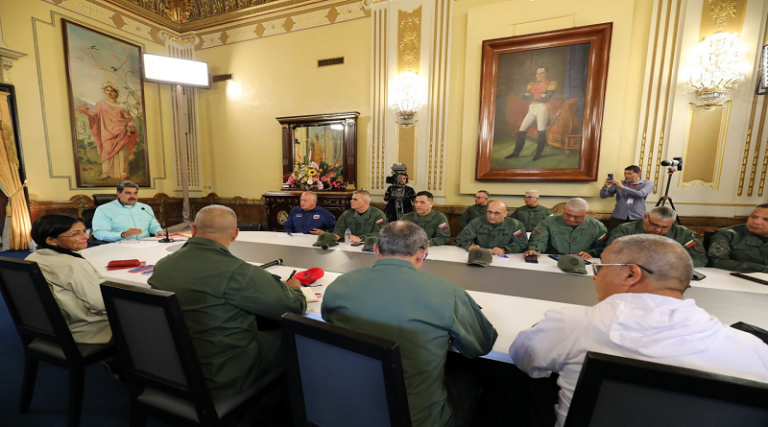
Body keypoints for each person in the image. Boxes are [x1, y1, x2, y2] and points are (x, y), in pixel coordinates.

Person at [510, 234, 768, 427]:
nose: (594, 276)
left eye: (600, 268)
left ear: (630, 274)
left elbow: (525, 360)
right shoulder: (752, 349)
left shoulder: (571, 324)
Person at [322, 221, 497, 427]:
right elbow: (480, 346)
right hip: (416, 418)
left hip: (346, 408)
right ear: (421, 254)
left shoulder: (339, 285)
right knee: (469, 380)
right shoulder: (447, 292)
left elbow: (328, 321)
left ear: (376, 249)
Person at [148, 205, 307, 399]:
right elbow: (294, 307)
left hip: (169, 365)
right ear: (235, 234)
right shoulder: (238, 272)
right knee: (298, 338)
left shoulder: (163, 265)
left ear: (193, 229)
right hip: (220, 375)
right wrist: (294, 288)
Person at [26, 214, 111, 344]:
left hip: (49, 325)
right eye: (75, 234)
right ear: (51, 240)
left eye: (85, 231)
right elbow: (100, 304)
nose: (86, 237)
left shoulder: (31, 258)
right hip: (88, 329)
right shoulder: (74, 265)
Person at [77, 82, 138, 180]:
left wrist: (131, 125)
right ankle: (106, 172)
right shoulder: (101, 104)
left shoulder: (122, 106)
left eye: (112, 91)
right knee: (107, 151)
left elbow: (128, 118)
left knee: (122, 153)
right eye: (107, 90)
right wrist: (85, 112)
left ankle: (123, 172)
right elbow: (94, 115)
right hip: (107, 132)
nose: (109, 93)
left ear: (116, 93)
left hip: (122, 131)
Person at [608, 206, 707, 267]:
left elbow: (700, 259)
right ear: (645, 217)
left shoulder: (683, 234)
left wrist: (673, 263)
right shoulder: (625, 230)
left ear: (672, 223)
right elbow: (611, 253)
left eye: (665, 227)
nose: (658, 230)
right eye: (654, 225)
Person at [525, 198, 607, 260]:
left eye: (577, 217)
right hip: (553, 262)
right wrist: (534, 250)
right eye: (568, 215)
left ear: (586, 214)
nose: (571, 219)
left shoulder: (597, 226)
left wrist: (591, 253)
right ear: (564, 209)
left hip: (584, 262)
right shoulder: (547, 223)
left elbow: (605, 247)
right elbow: (538, 241)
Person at [505, 66, 557, 161]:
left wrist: (533, 95)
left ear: (545, 74)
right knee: (522, 130)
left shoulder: (550, 84)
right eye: (537, 73)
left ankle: (538, 154)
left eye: (541, 73)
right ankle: (516, 152)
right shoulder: (531, 85)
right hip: (532, 108)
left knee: (541, 131)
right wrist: (539, 95)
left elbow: (546, 98)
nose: (539, 75)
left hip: (542, 108)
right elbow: (524, 98)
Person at [92, 181, 166, 242]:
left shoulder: (145, 208)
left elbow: (154, 226)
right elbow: (99, 233)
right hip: (119, 246)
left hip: (145, 244)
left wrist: (159, 231)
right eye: (128, 193)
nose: (133, 196)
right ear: (119, 194)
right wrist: (122, 234)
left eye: (135, 193)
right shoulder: (103, 209)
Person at [708, 204, 768, 272]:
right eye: (753, 217)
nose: (756, 222)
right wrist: (762, 269)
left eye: (766, 219)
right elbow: (716, 261)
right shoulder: (728, 234)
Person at [456, 201, 528, 255]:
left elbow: (522, 244)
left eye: (497, 213)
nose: (492, 216)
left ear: (505, 213)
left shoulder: (515, 225)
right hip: (481, 256)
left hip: (506, 259)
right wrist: (469, 246)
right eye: (489, 212)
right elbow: (461, 239)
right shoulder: (476, 222)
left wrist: (505, 250)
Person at [599, 165, 655, 230]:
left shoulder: (647, 183)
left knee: (635, 236)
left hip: (636, 217)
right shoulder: (620, 183)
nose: (626, 176)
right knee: (614, 235)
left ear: (638, 173)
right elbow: (603, 196)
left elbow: (641, 194)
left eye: (629, 174)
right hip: (619, 216)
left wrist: (622, 187)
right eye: (625, 174)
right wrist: (605, 186)